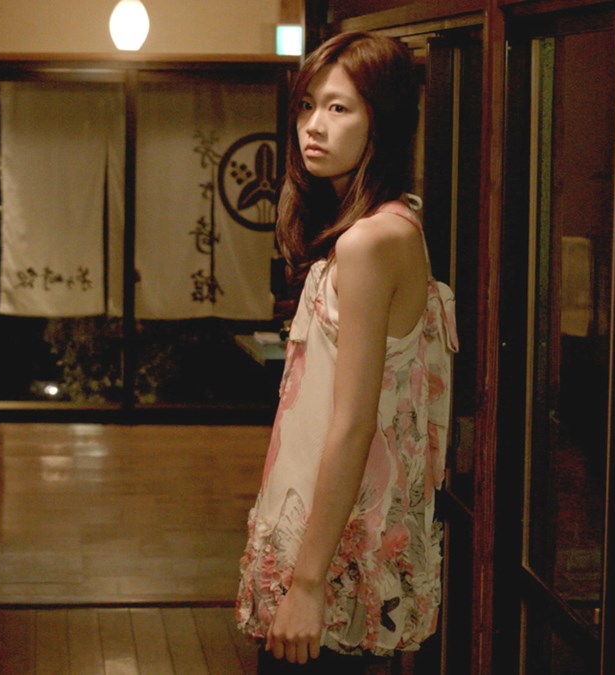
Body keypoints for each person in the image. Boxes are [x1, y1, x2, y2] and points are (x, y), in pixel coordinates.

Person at [235, 31, 459, 673]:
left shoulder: (369, 242)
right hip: (329, 532)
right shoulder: (395, 223)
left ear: (380, 122)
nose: (314, 125)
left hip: (332, 554)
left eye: (339, 107)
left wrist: (307, 586)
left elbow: (355, 422)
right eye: (308, 105)